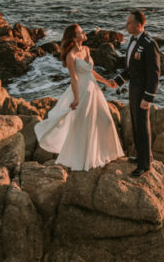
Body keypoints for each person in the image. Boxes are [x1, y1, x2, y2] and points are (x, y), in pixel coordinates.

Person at [33, 24, 124, 171]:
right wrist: (76, 99)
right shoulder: (71, 56)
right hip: (81, 91)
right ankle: (83, 159)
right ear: (74, 38)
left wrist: (107, 82)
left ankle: (104, 153)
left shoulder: (86, 49)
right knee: (84, 125)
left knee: (105, 121)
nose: (84, 32)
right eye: (80, 32)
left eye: (82, 30)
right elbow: (74, 79)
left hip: (94, 90)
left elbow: (90, 72)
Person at [113, 10, 161, 177]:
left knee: (143, 127)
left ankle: (145, 165)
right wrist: (117, 81)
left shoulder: (149, 44)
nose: (126, 25)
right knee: (135, 123)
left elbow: (154, 73)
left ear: (139, 25)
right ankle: (141, 157)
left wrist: (148, 97)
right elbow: (130, 69)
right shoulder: (132, 41)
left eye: (129, 23)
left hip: (143, 91)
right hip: (133, 88)